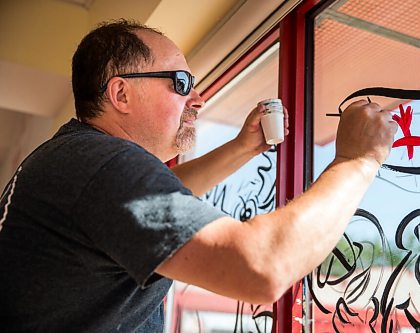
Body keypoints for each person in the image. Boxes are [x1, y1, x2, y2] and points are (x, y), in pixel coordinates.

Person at [0, 19, 397, 332]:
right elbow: (262, 267)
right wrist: (357, 161)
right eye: (181, 83)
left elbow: (150, 215)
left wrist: (242, 146)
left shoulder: (77, 161)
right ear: (121, 95)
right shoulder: (103, 165)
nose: (199, 99)